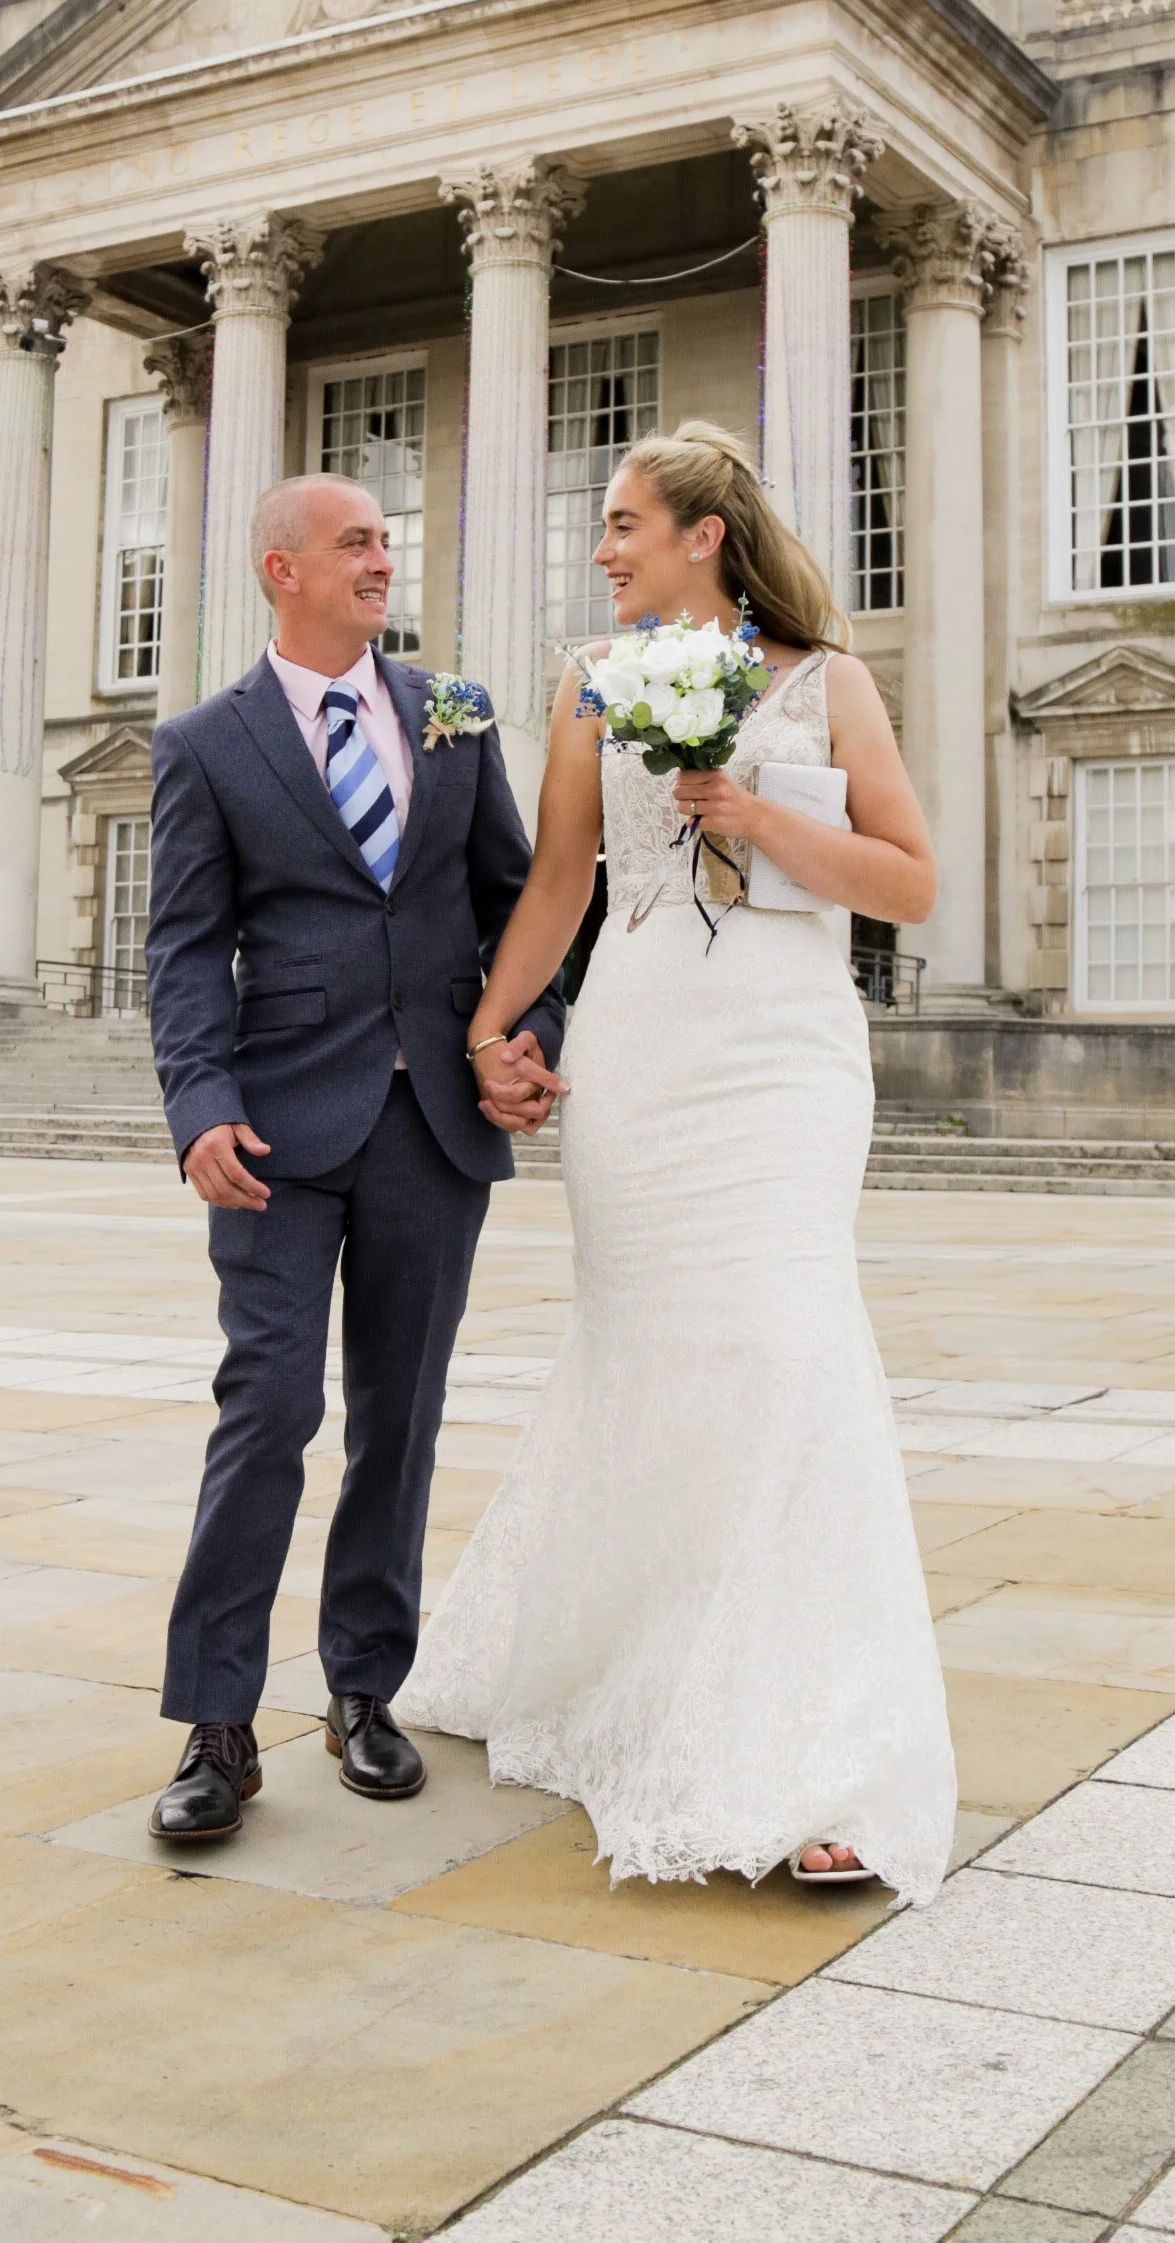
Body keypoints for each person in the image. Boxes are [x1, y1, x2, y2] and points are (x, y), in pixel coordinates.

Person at [399, 420, 957, 1898]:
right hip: (643, 1050)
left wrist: (756, 810)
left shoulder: (831, 680)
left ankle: (816, 1750)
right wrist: (486, 1028)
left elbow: (909, 878)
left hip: (784, 1055)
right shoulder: (588, 681)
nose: (604, 549)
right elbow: (566, 881)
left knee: (787, 1347)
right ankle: (639, 1668)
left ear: (705, 533)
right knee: (652, 1351)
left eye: (625, 523)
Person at [143, 475, 563, 1843]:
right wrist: (199, 1102)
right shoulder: (208, 744)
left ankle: (363, 1689)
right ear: (283, 569)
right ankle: (215, 1718)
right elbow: (187, 948)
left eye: (389, 540)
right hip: (273, 1125)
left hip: (431, 1123)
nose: (386, 559)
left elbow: (521, 901)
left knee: (404, 1415)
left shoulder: (455, 709)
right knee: (267, 1406)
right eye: (357, 543)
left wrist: (526, 1030)